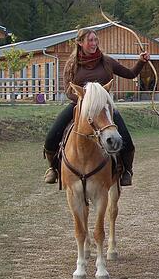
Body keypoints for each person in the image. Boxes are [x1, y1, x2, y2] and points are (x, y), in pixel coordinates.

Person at [43, 28, 150, 186]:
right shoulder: (72, 65)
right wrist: (85, 102)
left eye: (95, 40)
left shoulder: (106, 61)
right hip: (79, 107)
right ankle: (53, 168)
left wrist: (141, 61)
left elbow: (130, 74)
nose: (94, 44)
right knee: (51, 137)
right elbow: (68, 91)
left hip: (105, 109)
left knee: (126, 139)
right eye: (90, 40)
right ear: (80, 43)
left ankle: (127, 170)